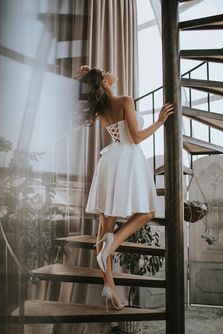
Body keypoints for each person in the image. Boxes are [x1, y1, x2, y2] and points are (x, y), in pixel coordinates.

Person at [78, 65, 174, 311]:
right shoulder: (125, 100)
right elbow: (138, 137)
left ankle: (111, 291)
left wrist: (92, 72)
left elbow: (111, 78)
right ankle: (112, 246)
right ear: (104, 83)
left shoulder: (100, 110)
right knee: (148, 213)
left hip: (109, 162)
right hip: (127, 159)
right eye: (106, 75)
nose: (111, 75)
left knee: (104, 227)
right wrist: (160, 121)